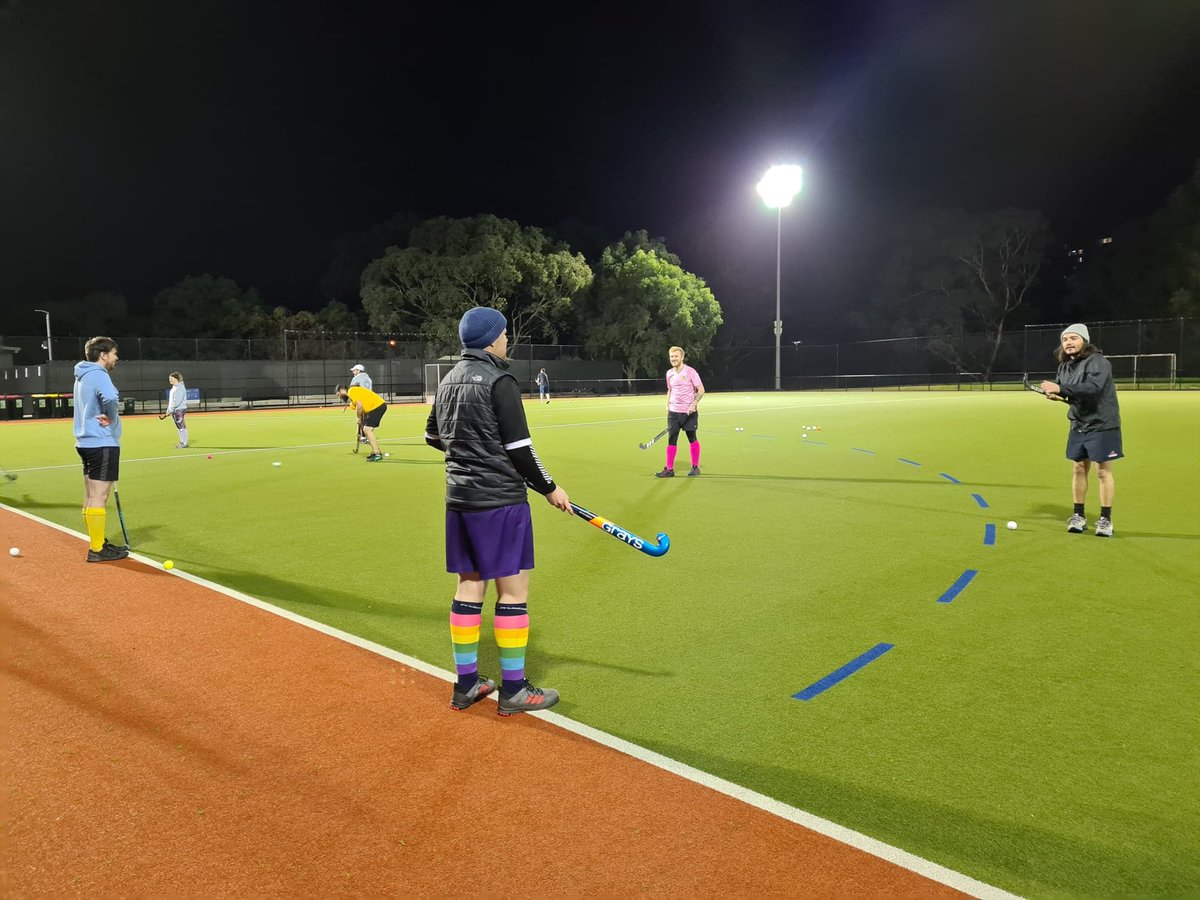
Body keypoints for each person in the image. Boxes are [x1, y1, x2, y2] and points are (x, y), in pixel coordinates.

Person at [425, 306, 572, 716]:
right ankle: (513, 690)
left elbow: (432, 435)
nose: (508, 340)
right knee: (513, 592)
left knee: (469, 586)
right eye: (505, 334)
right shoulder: (500, 379)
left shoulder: (449, 379)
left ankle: (467, 685)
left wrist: (472, 453)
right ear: (492, 339)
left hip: (460, 501)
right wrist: (549, 488)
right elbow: (520, 450)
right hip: (500, 502)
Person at [1039, 323, 1122, 537]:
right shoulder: (1065, 366)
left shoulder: (1098, 362)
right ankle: (1079, 516)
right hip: (1078, 424)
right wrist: (1057, 393)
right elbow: (1068, 390)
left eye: (1073, 338)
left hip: (1102, 424)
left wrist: (1061, 388)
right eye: (1065, 340)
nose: (1068, 343)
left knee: (1102, 471)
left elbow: (1093, 389)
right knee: (1078, 469)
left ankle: (1105, 520)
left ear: (1084, 341)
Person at [73, 336, 130, 562]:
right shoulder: (99, 374)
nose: (116, 358)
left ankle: (97, 541)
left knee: (89, 494)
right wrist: (111, 417)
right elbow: (111, 397)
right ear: (103, 355)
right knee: (100, 494)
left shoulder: (81, 375)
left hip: (85, 442)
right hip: (101, 441)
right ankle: (97, 549)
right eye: (114, 353)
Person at [655, 345, 705, 478]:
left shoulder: (690, 372)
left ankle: (695, 467)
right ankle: (669, 469)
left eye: (676, 356)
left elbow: (701, 390)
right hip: (674, 412)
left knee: (692, 438)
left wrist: (694, 404)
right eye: (671, 356)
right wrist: (667, 405)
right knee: (672, 440)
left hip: (689, 412)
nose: (673, 359)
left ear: (682, 357)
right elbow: (670, 390)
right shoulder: (669, 373)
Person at [335, 382, 387, 461]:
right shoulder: (353, 399)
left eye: (339, 395)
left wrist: (358, 418)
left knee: (367, 430)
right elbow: (361, 412)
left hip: (377, 406)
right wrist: (359, 429)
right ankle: (374, 452)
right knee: (366, 430)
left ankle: (377, 454)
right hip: (376, 407)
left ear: (342, 390)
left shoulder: (351, 391)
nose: (340, 397)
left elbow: (359, 405)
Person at [160, 371, 189, 448]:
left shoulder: (179, 388)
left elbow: (177, 402)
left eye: (171, 378)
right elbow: (172, 401)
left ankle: (184, 443)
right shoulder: (175, 387)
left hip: (178, 410)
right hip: (176, 410)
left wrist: (170, 410)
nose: (169, 380)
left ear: (176, 379)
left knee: (181, 426)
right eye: (169, 378)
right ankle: (182, 442)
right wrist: (168, 411)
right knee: (179, 427)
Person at [349, 365, 373, 443]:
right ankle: (365, 436)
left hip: (360, 400)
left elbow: (352, 390)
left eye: (354, 370)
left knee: (361, 419)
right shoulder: (369, 378)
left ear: (358, 370)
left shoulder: (356, 378)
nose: (353, 372)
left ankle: (362, 437)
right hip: (369, 400)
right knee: (366, 419)